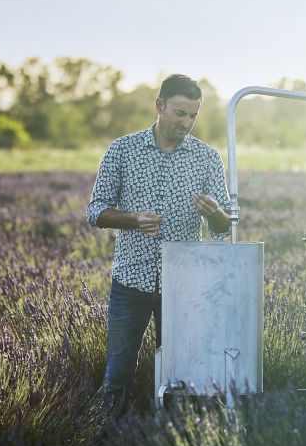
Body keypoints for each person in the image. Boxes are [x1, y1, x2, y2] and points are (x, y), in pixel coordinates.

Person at [86, 73, 231, 417]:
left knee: (181, 375)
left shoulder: (206, 157)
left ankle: (174, 440)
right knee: (118, 373)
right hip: (131, 280)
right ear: (160, 105)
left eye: (193, 115)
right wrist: (134, 219)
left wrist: (216, 215)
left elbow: (224, 230)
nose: (187, 122)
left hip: (183, 286)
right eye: (180, 113)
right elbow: (95, 212)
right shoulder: (122, 150)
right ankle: (110, 442)